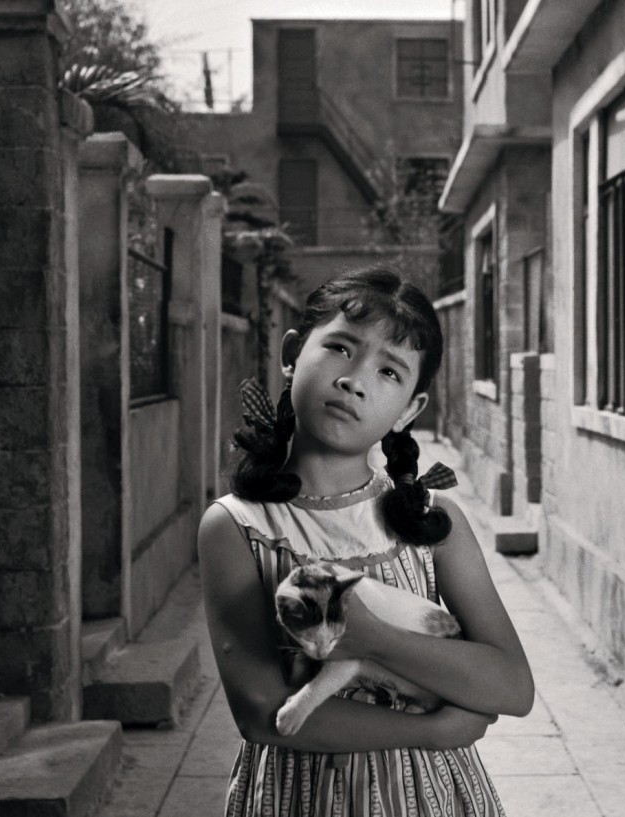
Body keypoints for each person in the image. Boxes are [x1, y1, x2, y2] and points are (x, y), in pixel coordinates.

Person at [197, 267, 534, 816]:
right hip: (298, 799)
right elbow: (261, 713)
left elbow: (513, 687)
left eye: (389, 372)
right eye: (339, 348)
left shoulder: (430, 521)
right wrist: (434, 730)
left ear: (409, 410)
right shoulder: (237, 527)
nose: (355, 380)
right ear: (292, 352)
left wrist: (373, 640)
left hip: (431, 798)